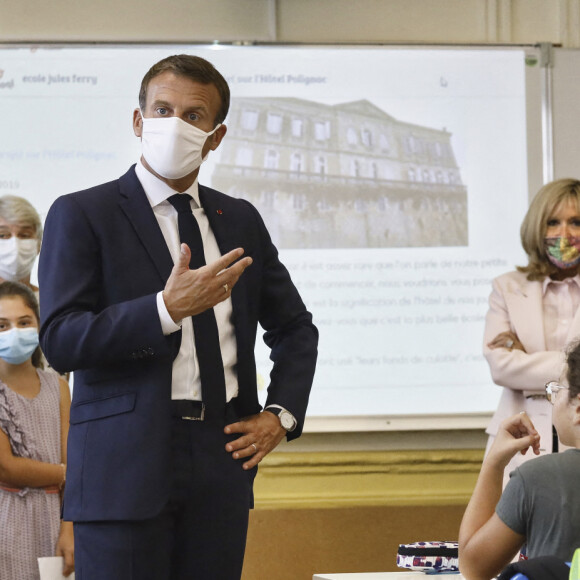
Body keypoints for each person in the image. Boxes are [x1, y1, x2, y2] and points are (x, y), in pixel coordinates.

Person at [38, 54, 318, 580]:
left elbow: (295, 328)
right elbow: (61, 340)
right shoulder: (82, 213)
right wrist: (165, 310)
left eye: (193, 115)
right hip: (122, 468)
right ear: (139, 121)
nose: (174, 124)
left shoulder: (238, 218)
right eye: (162, 109)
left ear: (215, 136)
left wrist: (281, 414)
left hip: (222, 459)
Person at [459, 339, 580, 580]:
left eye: (557, 390)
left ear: (578, 410)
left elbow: (474, 567)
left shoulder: (537, 479)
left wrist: (494, 463)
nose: (553, 398)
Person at [484, 178, 580, 480]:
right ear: (537, 228)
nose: (563, 234)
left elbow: (515, 366)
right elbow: (501, 368)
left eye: (576, 222)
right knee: (511, 524)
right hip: (519, 437)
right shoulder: (507, 287)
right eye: (553, 222)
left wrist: (526, 358)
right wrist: (575, 367)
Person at [0, 281, 73, 579]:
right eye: (2, 325)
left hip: (57, 521)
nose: (14, 331)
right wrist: (66, 473)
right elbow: (6, 468)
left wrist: (69, 528)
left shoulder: (58, 387)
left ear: (39, 325)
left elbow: (74, 458)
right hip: (8, 519)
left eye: (24, 322)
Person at [0, 195, 43, 292]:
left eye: (24, 235)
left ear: (38, 245)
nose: (14, 244)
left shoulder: (50, 303)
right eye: (2, 235)